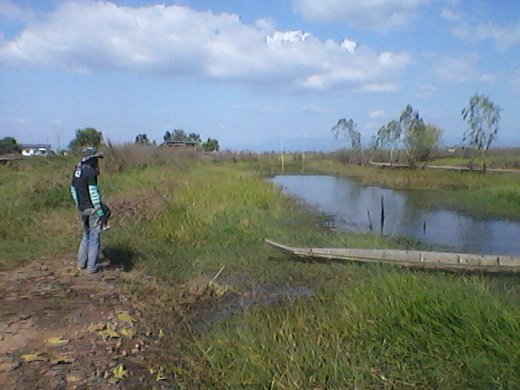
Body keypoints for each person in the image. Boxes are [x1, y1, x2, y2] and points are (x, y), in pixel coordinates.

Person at [70, 151, 108, 274]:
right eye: (95, 159)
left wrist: (78, 205)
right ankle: (92, 268)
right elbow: (93, 193)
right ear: (90, 159)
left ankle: (81, 264)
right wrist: (100, 212)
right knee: (94, 238)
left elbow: (73, 190)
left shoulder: (77, 171)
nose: (97, 162)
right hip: (92, 209)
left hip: (82, 209)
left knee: (85, 236)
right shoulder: (91, 172)